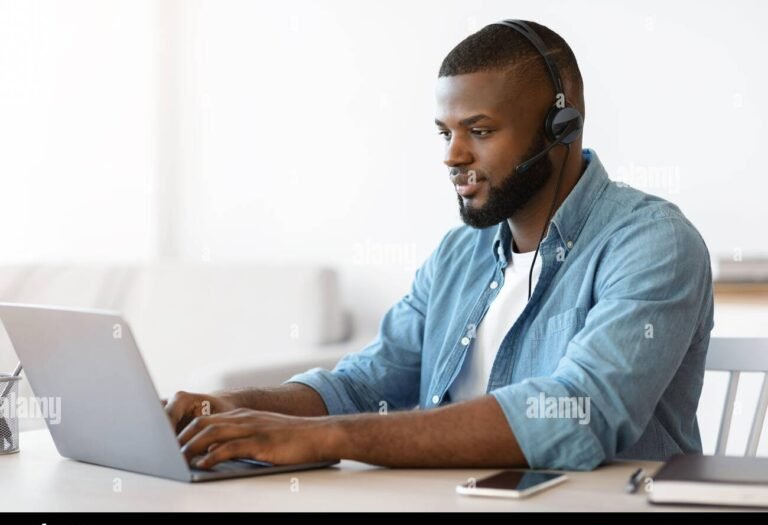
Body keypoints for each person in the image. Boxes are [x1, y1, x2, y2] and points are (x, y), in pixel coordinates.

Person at [165, 20, 714, 471]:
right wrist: (237, 408)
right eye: (444, 132)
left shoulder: (653, 243)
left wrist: (326, 438)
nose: (452, 156)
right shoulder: (460, 255)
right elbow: (361, 387)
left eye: (478, 130)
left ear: (560, 127)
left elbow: (576, 413)